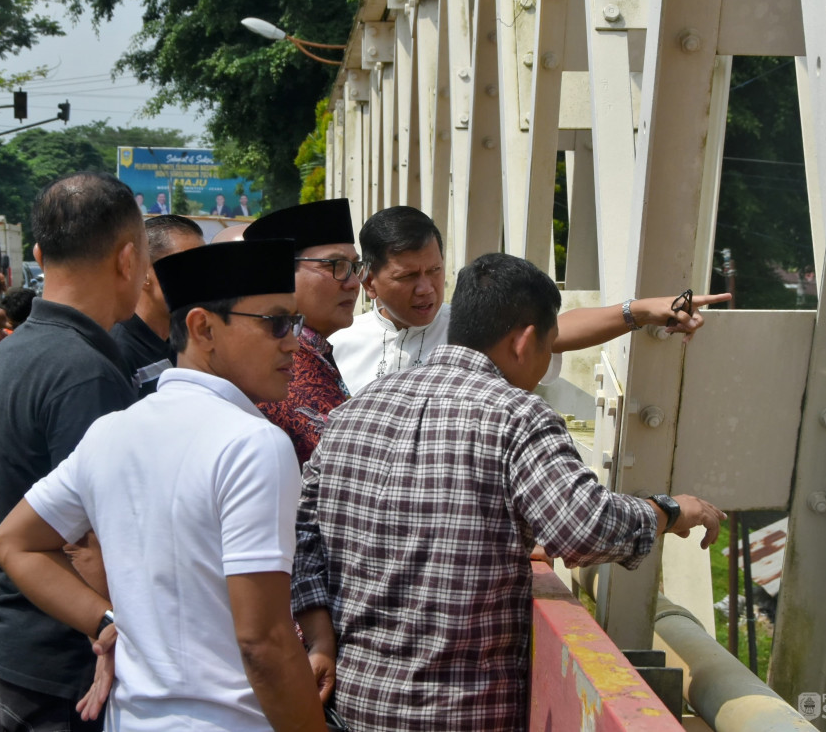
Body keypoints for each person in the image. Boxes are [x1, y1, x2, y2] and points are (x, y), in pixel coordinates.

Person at [293, 253, 727, 732]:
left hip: (352, 706)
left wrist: (318, 637)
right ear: (523, 341)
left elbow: (305, 532)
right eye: (548, 345)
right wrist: (667, 509)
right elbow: (585, 528)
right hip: (461, 716)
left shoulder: (355, 410)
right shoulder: (518, 416)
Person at [0, 240, 329, 731]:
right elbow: (264, 643)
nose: (294, 342)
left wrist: (106, 623)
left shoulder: (112, 431)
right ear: (203, 327)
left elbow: (12, 544)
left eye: (295, 323)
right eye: (276, 322)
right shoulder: (253, 443)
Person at [0, 172, 147, 732]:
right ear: (127, 260)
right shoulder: (84, 373)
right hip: (70, 664)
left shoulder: (12, 351)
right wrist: (111, 628)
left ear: (39, 254)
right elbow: (92, 541)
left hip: (19, 644)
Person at [330, 206, 731, 395]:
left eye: (435, 271)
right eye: (408, 277)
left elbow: (551, 331)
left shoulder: (467, 327)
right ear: (369, 280)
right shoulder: (336, 343)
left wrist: (641, 311)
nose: (427, 289)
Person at [244, 198, 364, 465]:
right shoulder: (280, 366)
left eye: (354, 267)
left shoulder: (314, 351)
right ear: (283, 273)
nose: (354, 283)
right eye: (336, 266)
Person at [112, 214, 205, 398]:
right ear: (144, 271)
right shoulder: (118, 352)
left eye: (205, 267)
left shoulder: (190, 340)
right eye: (188, 267)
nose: (201, 279)